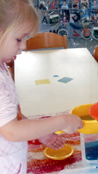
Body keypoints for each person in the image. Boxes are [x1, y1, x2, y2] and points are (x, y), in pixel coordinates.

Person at [0, 0, 83, 173]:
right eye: (19, 39)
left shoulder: (2, 67)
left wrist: (39, 131)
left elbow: (11, 117)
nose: (23, 46)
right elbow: (11, 131)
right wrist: (61, 121)